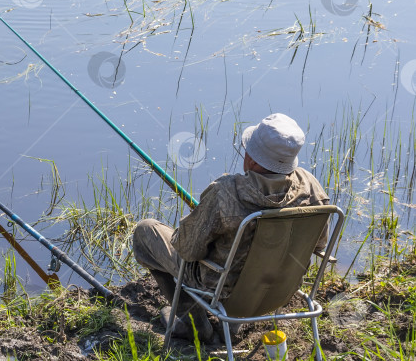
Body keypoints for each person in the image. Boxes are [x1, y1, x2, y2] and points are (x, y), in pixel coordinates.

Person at [132, 113, 330, 342]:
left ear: (253, 161)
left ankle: (195, 326)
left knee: (146, 232)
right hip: (281, 291)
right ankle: (232, 327)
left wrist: (201, 217)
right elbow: (319, 244)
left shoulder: (225, 192)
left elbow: (187, 250)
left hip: (226, 296)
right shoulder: (311, 186)